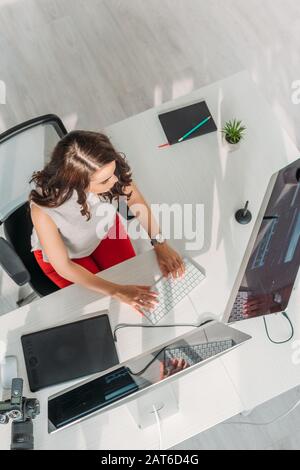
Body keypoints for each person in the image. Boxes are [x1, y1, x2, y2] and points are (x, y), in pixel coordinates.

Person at [29, 130, 185, 316]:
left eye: (113, 172)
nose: (116, 180)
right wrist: (115, 290)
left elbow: (134, 200)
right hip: (68, 257)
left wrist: (160, 243)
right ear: (77, 182)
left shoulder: (107, 167)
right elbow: (64, 266)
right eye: (105, 181)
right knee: (105, 310)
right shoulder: (43, 209)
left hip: (104, 231)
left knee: (141, 289)